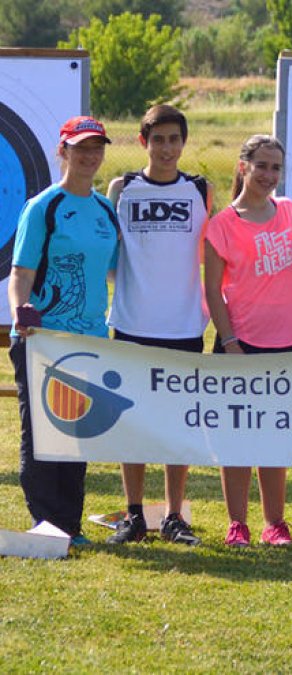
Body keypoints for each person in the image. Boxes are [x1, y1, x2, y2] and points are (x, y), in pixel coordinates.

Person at [9, 116, 119, 546]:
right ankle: (46, 524)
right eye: (80, 148)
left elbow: (114, 271)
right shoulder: (44, 206)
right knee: (40, 433)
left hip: (89, 341)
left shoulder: (105, 209)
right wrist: (22, 313)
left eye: (96, 148)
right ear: (63, 152)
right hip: (43, 340)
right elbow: (21, 273)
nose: (89, 156)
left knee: (76, 436)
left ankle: (70, 525)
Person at [105, 105, 210, 547]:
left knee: (177, 424)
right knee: (133, 422)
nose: (166, 148)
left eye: (174, 139)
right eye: (158, 139)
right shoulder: (122, 187)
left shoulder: (200, 189)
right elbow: (108, 255)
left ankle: (172, 515)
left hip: (184, 326)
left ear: (184, 143)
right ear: (142, 142)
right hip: (131, 323)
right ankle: (133, 514)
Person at [204, 135, 292, 547]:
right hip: (240, 344)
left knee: (275, 436)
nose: (268, 175)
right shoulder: (222, 224)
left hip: (288, 341)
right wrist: (229, 340)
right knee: (238, 437)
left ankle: (274, 524)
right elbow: (213, 290)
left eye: (275, 168)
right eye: (261, 166)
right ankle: (237, 524)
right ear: (243, 166)